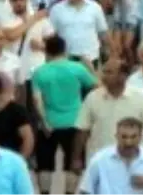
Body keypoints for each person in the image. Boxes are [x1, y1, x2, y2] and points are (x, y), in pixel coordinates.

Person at [32, 34, 99, 191]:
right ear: (65, 50)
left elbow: (37, 100)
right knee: (73, 162)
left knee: (45, 164)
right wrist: (91, 68)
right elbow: (97, 87)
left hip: (49, 123)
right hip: (75, 122)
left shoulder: (40, 72)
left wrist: (44, 122)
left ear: (46, 52)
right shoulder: (77, 69)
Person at [74, 57, 143, 165]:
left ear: (122, 76)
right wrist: (76, 159)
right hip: (101, 160)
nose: (104, 76)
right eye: (104, 72)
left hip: (134, 161)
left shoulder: (141, 98)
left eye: (109, 72)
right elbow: (82, 130)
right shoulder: (92, 98)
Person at [78, 117, 143, 195]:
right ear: (116, 136)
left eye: (133, 137)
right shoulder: (100, 159)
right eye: (124, 136)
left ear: (140, 137)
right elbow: (86, 190)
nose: (128, 142)